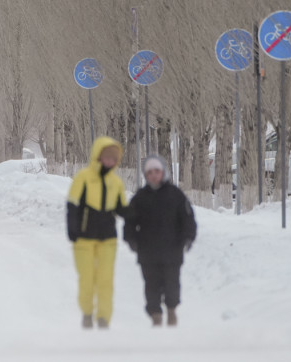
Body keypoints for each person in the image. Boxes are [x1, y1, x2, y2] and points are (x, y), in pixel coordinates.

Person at [124, 155, 197, 328]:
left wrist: (188, 237)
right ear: (146, 175)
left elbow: (187, 218)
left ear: (163, 172)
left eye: (157, 171)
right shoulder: (140, 197)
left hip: (172, 251)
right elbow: (129, 222)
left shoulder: (176, 195)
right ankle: (155, 315)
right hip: (148, 252)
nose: (153, 175)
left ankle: (171, 310)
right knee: (151, 285)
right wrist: (132, 240)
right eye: (149, 172)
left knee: (172, 283)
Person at [66, 136, 129, 330]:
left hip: (107, 239)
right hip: (84, 239)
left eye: (114, 158)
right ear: (98, 156)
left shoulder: (116, 182)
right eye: (107, 157)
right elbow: (73, 206)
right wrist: (72, 230)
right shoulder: (83, 177)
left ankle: (103, 318)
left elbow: (121, 209)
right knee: (87, 279)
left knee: (105, 280)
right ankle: (87, 313)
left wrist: (139, 214)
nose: (110, 162)